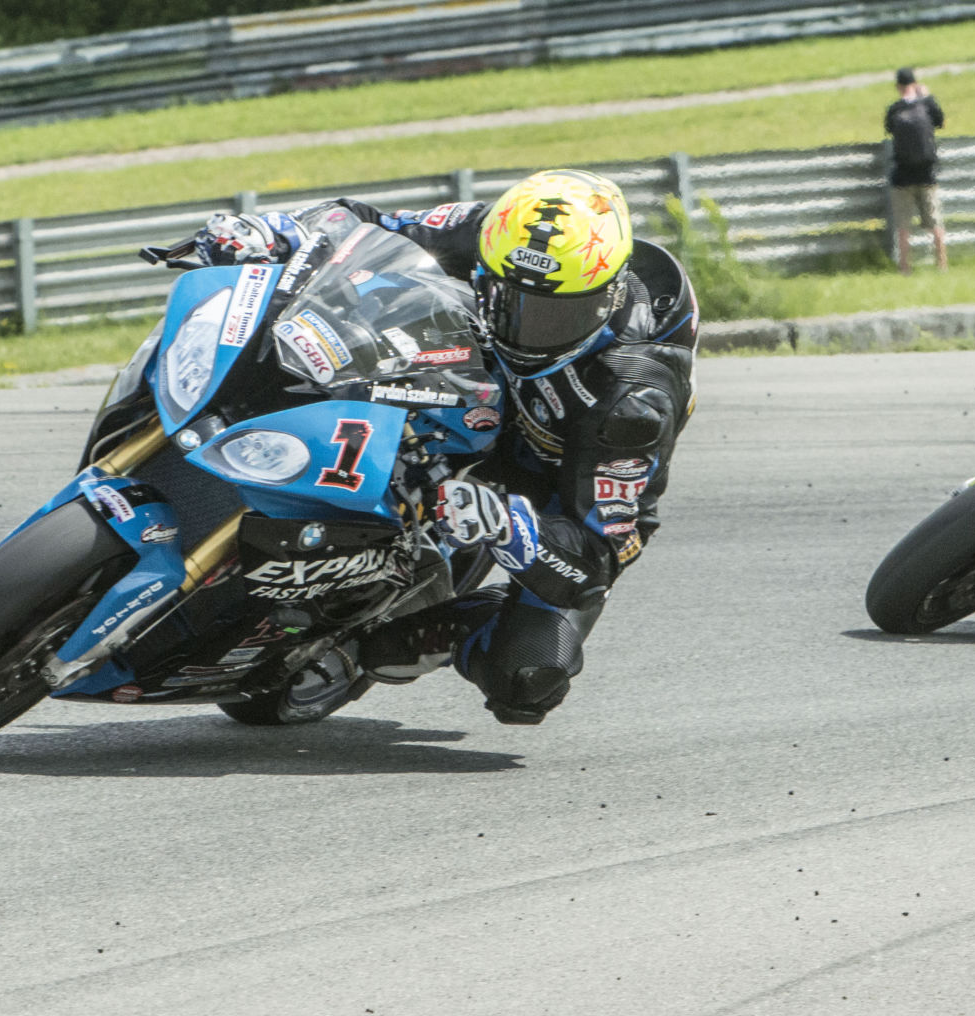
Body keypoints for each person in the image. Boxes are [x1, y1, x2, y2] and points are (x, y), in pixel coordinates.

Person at [185, 169, 699, 724]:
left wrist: (509, 525)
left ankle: (408, 635)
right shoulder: (500, 233)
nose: (525, 330)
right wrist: (272, 232)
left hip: (555, 484)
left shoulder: (631, 400)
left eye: (556, 316)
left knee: (526, 678)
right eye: (509, 301)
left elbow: (595, 557)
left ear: (607, 295)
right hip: (469, 392)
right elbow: (361, 222)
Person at [884, 67, 947, 274]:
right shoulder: (927, 105)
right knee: (935, 222)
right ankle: (942, 264)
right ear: (915, 83)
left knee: (903, 227)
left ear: (898, 87)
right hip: (926, 174)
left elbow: (889, 129)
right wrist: (927, 95)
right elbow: (940, 121)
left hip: (902, 176)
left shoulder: (894, 109)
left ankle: (905, 267)